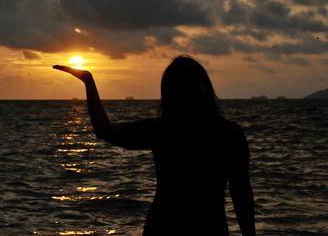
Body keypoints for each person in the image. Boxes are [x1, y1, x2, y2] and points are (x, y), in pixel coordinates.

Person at [53, 54, 256, 235]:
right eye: (182, 87)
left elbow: (105, 131)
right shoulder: (227, 133)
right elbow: (241, 195)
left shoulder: (164, 130)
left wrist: (89, 81)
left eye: (189, 86)